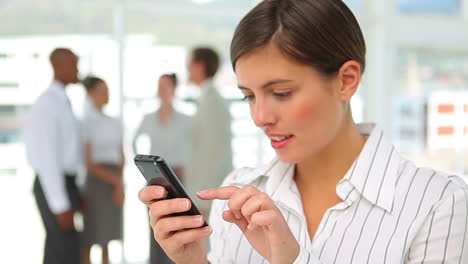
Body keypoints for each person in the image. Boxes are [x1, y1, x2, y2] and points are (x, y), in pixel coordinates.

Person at [138, 0, 468, 263]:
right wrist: (195, 262)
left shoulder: (437, 203)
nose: (260, 117)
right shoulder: (239, 190)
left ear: (346, 80)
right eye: (249, 96)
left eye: (281, 93)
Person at [24, 47, 82, 264]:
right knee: (64, 252)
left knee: (61, 250)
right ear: (58, 67)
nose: (78, 70)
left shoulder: (62, 101)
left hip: (65, 184)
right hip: (53, 187)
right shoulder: (47, 104)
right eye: (74, 64)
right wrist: (60, 205)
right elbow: (47, 158)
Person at [132, 73, 190, 264]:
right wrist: (144, 165)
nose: (161, 91)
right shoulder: (149, 118)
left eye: (165, 86)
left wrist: (186, 164)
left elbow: (195, 147)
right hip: (155, 179)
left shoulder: (185, 120)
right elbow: (134, 141)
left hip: (177, 178)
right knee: (156, 227)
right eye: (159, 86)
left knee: (176, 229)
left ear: (174, 89)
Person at [80, 76, 125, 264]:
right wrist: (116, 181)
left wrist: (119, 183)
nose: (106, 95)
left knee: (108, 237)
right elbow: (89, 162)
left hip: (114, 180)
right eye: (101, 91)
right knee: (91, 236)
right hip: (97, 182)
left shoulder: (115, 122)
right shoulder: (86, 123)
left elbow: (121, 155)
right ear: (90, 94)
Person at [185, 47, 233, 214]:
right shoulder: (206, 99)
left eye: (189, 63)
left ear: (200, 66)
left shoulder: (213, 103)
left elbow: (212, 154)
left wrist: (203, 198)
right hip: (204, 191)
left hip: (208, 196)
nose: (187, 68)